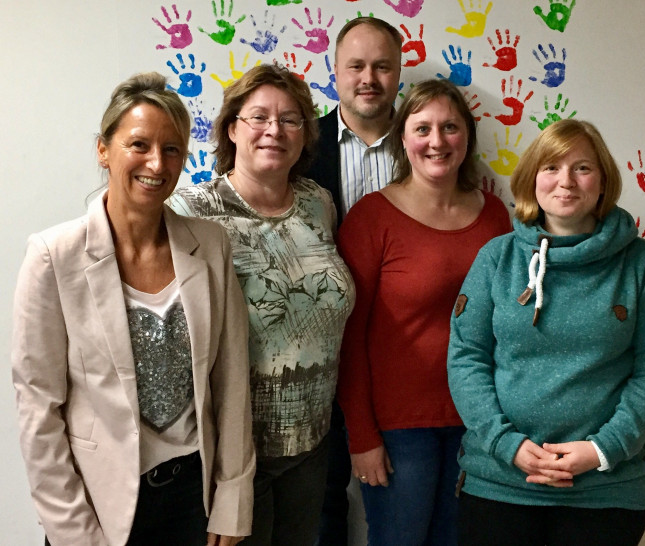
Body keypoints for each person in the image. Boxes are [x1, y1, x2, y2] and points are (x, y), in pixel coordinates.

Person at [11, 72, 255, 546]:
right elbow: (38, 410)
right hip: (100, 510)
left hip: (193, 499)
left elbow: (231, 381)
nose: (156, 163)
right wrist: (76, 534)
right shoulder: (53, 256)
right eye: (138, 144)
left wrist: (231, 501)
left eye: (172, 149)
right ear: (104, 149)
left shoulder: (209, 244)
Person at [447, 119, 645, 546]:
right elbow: (466, 358)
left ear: (602, 182)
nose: (566, 182)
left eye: (582, 168)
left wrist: (600, 451)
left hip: (609, 489)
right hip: (501, 480)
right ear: (531, 179)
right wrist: (509, 446)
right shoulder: (495, 258)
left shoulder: (643, 263)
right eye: (551, 167)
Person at [168, 64, 355, 546]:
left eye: (291, 119)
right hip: (234, 454)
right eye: (259, 117)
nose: (275, 130)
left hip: (312, 444)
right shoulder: (193, 212)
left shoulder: (320, 203)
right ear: (233, 128)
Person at [336, 79, 512, 545]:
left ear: (468, 136)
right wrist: (362, 437)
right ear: (403, 139)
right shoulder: (371, 219)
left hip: (478, 422)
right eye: (423, 128)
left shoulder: (496, 215)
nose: (437, 141)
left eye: (450, 127)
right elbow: (349, 338)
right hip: (397, 430)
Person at [304, 16, 403, 545]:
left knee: (402, 500)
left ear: (399, 72)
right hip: (317, 354)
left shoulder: (426, 144)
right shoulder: (301, 143)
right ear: (335, 72)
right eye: (356, 66)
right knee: (321, 501)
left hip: (398, 354)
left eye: (382, 66)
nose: (369, 78)